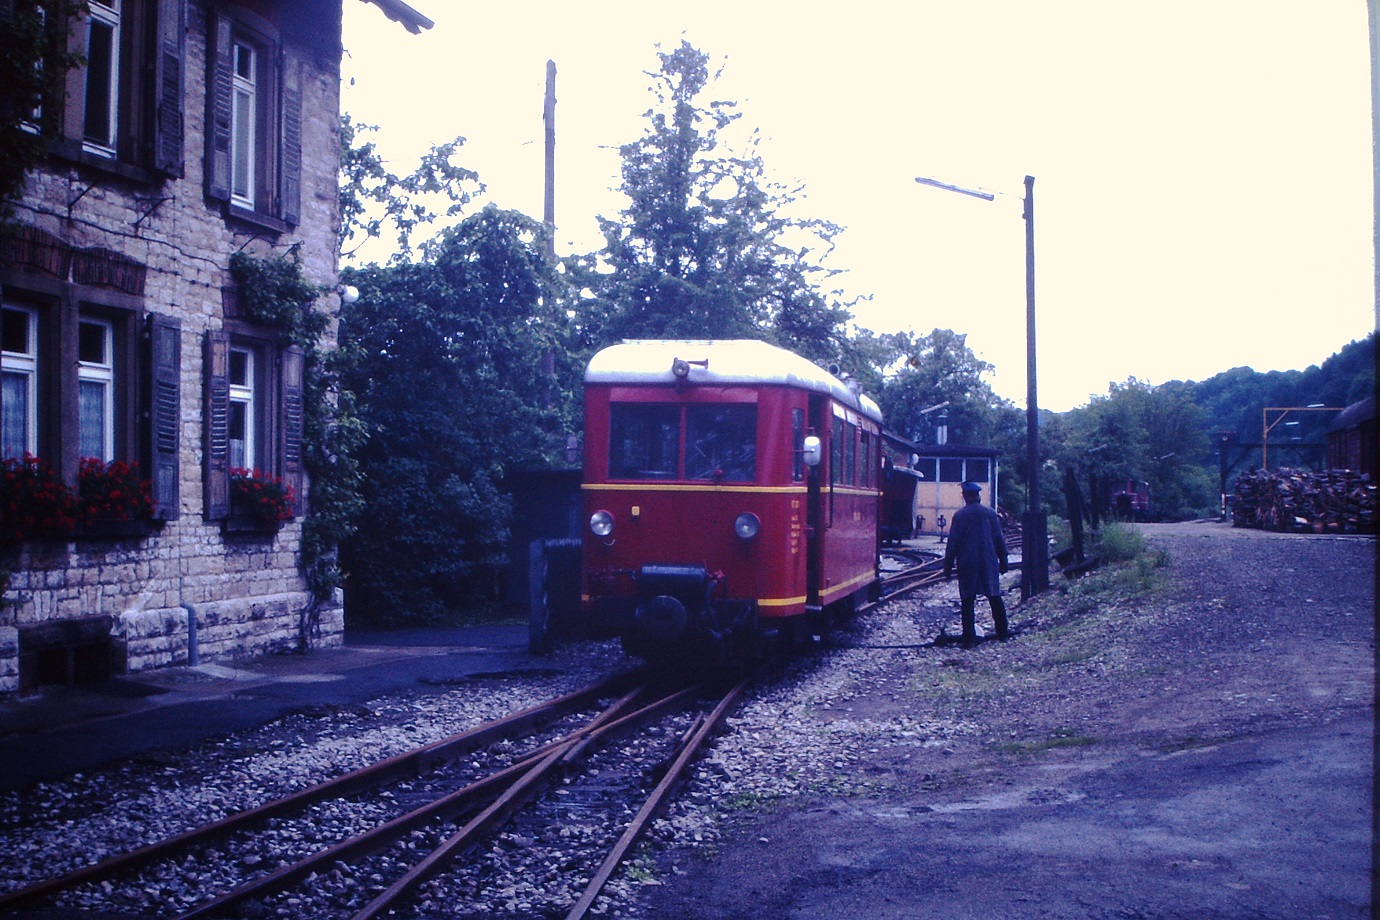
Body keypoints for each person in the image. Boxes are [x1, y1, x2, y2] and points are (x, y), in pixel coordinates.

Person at [942, 481, 1009, 645]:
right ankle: (1003, 634)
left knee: (967, 600)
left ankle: (969, 639)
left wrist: (947, 566)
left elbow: (953, 543)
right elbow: (999, 539)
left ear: (965, 496)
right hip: (988, 562)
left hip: (967, 563)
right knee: (994, 597)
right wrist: (1003, 560)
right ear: (978, 496)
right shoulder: (990, 514)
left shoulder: (960, 516)